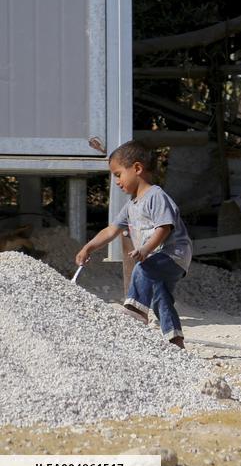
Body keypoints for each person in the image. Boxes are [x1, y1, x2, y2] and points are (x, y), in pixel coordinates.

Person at [75, 141, 193, 349]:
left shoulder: (155, 196)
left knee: (142, 268)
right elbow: (111, 230)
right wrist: (89, 247)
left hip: (173, 253)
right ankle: (175, 342)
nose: (117, 182)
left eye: (118, 174)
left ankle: (134, 314)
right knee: (161, 297)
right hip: (158, 258)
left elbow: (164, 227)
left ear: (137, 168)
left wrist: (146, 249)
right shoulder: (131, 206)